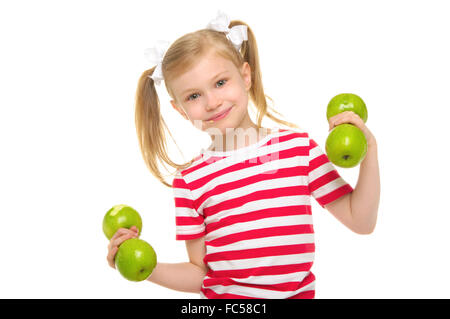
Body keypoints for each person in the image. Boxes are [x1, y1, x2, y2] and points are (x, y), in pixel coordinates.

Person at [106, 10, 380, 299]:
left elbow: (360, 221)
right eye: (194, 96)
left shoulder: (298, 150)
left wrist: (370, 151)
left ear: (245, 76)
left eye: (220, 82)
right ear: (180, 110)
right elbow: (201, 273)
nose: (212, 102)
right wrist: (145, 268)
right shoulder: (190, 181)